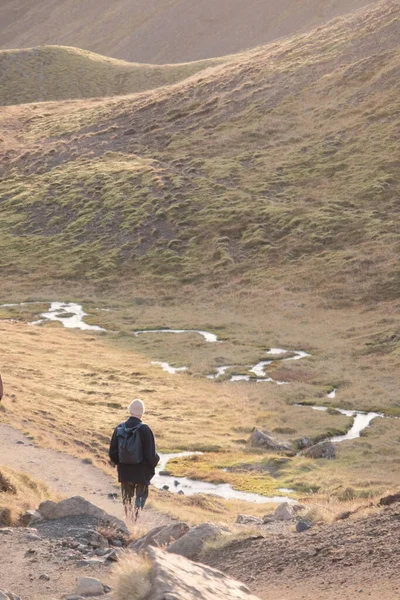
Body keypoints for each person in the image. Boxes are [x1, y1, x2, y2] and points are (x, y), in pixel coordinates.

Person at [109, 399, 159, 520]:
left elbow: (112, 453)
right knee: (140, 498)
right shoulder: (145, 430)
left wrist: (120, 464)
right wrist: (152, 465)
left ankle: (128, 521)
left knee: (127, 499)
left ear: (130, 410)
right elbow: (151, 455)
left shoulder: (119, 428)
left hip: (125, 472)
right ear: (142, 413)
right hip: (141, 473)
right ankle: (135, 520)